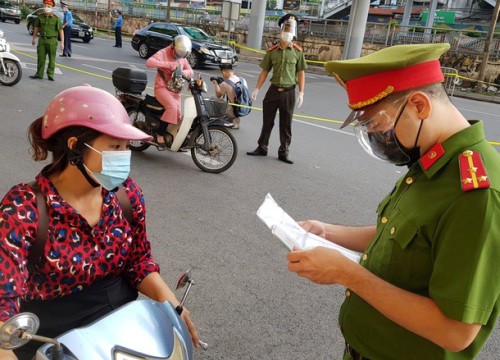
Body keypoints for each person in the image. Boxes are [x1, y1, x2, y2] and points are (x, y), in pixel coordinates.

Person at [287, 43, 500, 359]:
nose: (377, 137)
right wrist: (328, 232)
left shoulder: (477, 194)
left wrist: (347, 274)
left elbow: (455, 333)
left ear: (419, 105)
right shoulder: (433, 157)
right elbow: (399, 236)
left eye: (378, 124)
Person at [0, 85, 200, 359]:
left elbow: (139, 263)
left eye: (126, 147)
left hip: (119, 324)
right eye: (115, 146)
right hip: (50, 338)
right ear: (75, 147)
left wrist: (174, 308)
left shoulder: (126, 195)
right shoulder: (25, 207)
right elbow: (4, 301)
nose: (124, 156)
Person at [247, 13, 307, 165]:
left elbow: (301, 72)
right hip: (273, 90)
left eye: (290, 30)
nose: (288, 34)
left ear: (294, 33)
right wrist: (256, 89)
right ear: (281, 31)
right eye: (286, 30)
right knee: (267, 121)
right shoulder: (272, 51)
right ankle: (262, 147)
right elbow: (265, 71)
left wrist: (301, 92)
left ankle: (284, 151)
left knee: (286, 124)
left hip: (288, 93)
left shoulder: (298, 52)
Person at [145, 35, 194, 150]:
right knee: (172, 107)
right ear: (173, 47)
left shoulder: (182, 57)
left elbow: (190, 71)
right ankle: (160, 134)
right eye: (177, 55)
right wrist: (169, 65)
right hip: (161, 88)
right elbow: (149, 62)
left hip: (175, 90)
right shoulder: (163, 53)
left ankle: (170, 136)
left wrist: (183, 72)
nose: (178, 58)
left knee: (178, 116)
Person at [29, 0, 63, 81]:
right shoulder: (40, 17)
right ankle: (39, 74)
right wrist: (33, 38)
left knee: (52, 59)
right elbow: (36, 28)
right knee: (40, 57)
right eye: (45, 6)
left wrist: (62, 43)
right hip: (42, 40)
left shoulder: (56, 19)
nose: (46, 8)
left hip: (52, 41)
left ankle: (50, 75)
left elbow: (61, 31)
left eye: (49, 6)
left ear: (52, 8)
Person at [212, 64, 248, 130]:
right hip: (245, 106)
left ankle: (226, 117)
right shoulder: (243, 80)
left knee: (213, 98)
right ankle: (235, 120)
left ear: (223, 72)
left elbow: (218, 95)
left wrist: (216, 83)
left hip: (234, 109)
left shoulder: (225, 84)